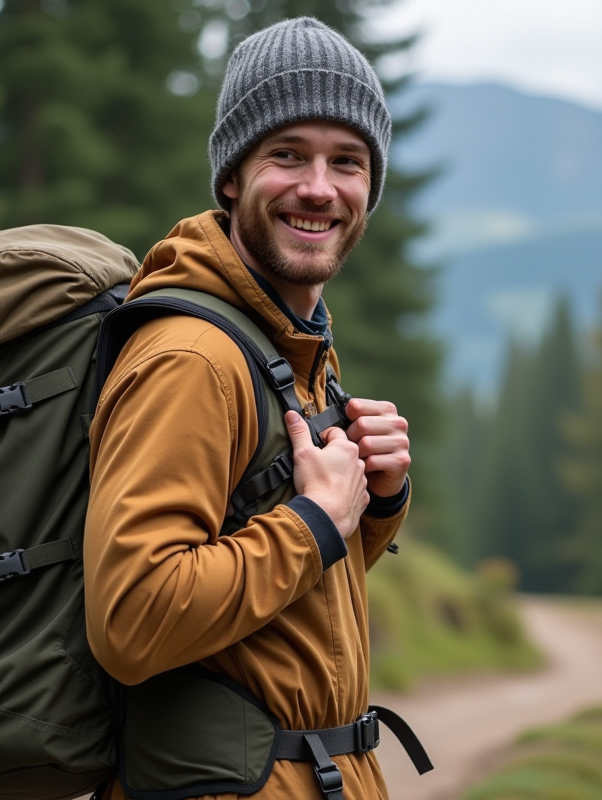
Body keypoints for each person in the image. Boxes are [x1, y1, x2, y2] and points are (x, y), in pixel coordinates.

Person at [84, 16, 415, 800]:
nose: (319, 187)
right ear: (233, 175)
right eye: (287, 154)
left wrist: (372, 503)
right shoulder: (192, 359)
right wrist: (314, 521)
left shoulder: (290, 340)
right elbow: (133, 620)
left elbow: (284, 601)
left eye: (347, 161)